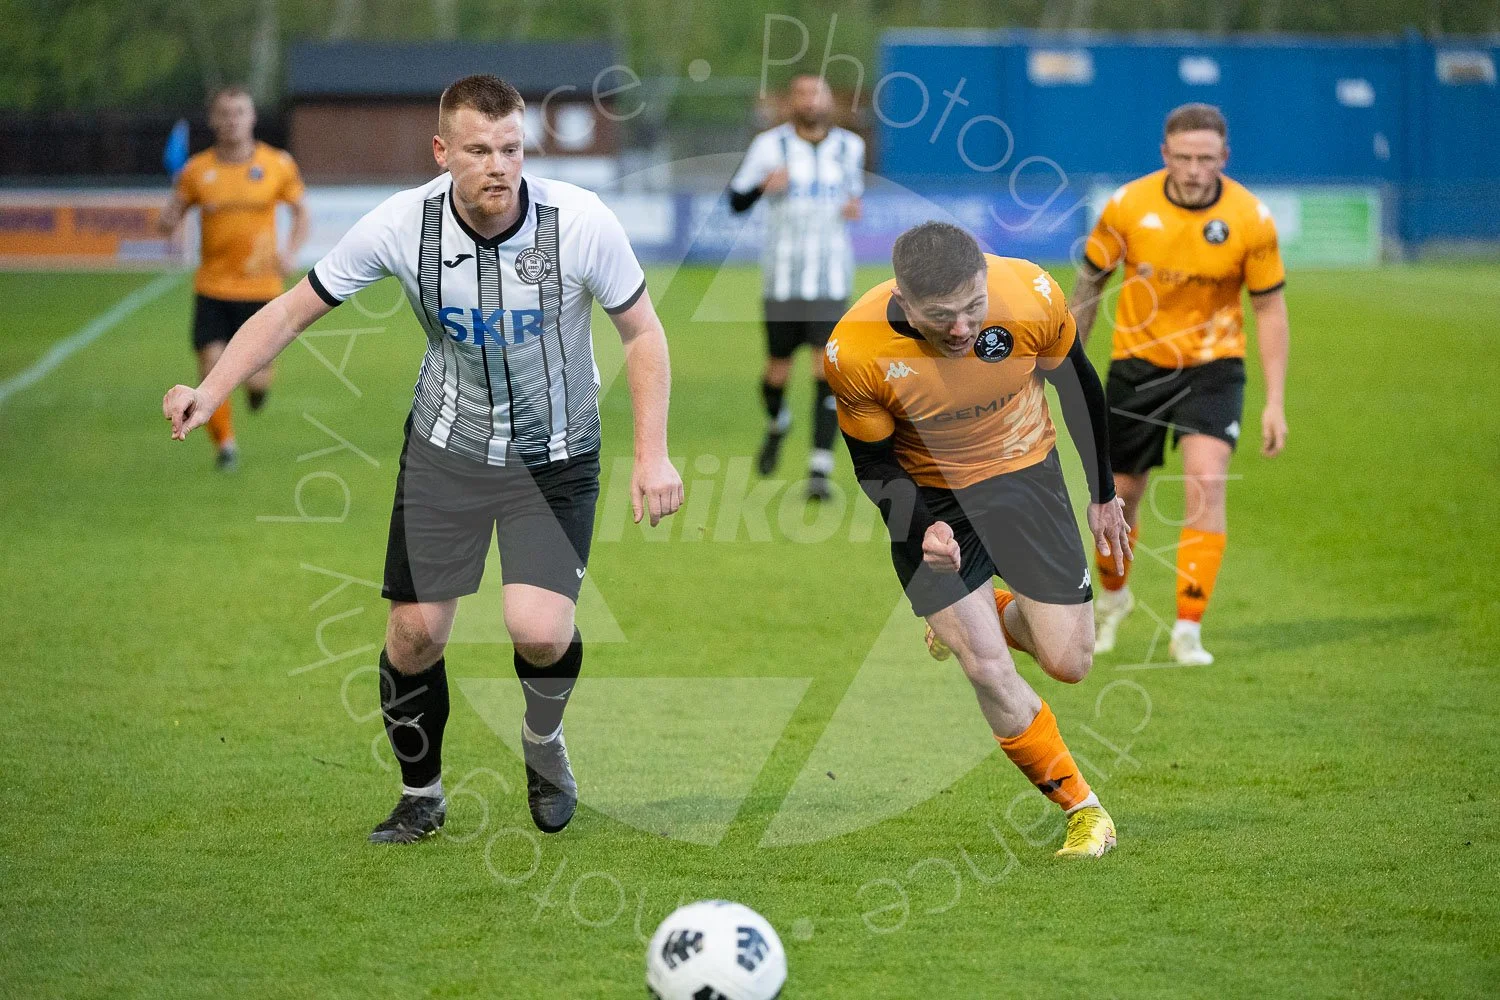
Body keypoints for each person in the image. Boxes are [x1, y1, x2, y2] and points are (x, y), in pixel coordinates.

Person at [163, 75, 684, 844]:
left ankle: (542, 743)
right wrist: (213, 388)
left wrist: (653, 455)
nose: (499, 165)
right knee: (414, 633)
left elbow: (643, 333)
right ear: (443, 152)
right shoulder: (401, 225)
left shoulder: (580, 221)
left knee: (537, 631)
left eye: (510, 148)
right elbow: (291, 310)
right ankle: (422, 795)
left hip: (556, 452)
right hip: (448, 448)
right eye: (479, 149)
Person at [825, 221, 1131, 859]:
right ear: (905, 303)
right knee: (986, 666)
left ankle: (975, 614)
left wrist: (1103, 493)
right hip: (930, 500)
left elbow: (1078, 386)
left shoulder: (1029, 293)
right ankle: (1083, 810)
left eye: (972, 307)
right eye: (941, 317)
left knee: (1069, 663)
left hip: (1027, 481)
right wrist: (920, 528)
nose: (962, 328)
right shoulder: (855, 349)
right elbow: (874, 466)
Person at [1070, 103, 1290, 665]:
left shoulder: (1251, 218)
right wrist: (1066, 362)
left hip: (1214, 367)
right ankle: (1114, 598)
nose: (1194, 169)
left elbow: (1268, 309)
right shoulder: (1127, 205)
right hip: (1138, 365)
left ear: (1225, 158)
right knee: (1121, 497)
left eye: (1206, 159)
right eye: (1185, 157)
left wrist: (1276, 402)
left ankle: (1188, 627)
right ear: (1165, 154)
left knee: (1206, 480)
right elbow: (1091, 281)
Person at [728, 74, 865, 500]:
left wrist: (850, 208)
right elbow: (735, 200)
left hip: (830, 279)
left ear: (830, 101)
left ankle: (818, 471)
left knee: (827, 370)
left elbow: (852, 198)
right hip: (783, 279)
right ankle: (777, 424)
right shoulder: (770, 146)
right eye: (802, 93)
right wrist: (761, 188)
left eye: (818, 93)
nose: (811, 101)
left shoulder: (850, 148)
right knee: (777, 373)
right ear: (792, 102)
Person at [158, 85, 308, 470]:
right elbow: (169, 218)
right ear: (213, 120)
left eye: (240, 112)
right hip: (213, 288)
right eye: (225, 114)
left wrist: (290, 252)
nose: (232, 121)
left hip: (261, 291)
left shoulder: (277, 164)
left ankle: (258, 393)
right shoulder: (195, 170)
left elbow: (301, 214)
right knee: (210, 371)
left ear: (252, 118)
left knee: (255, 382)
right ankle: (225, 446)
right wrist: (168, 220)